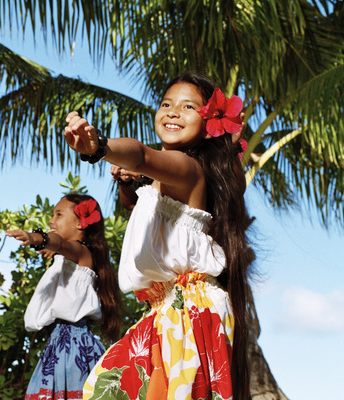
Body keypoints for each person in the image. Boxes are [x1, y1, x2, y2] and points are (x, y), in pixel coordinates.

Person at [64, 72, 254, 400]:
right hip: (167, 308)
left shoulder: (188, 168)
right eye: (166, 103)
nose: (172, 111)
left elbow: (141, 155)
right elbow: (137, 197)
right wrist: (130, 181)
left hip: (188, 310)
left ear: (209, 124)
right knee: (108, 387)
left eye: (188, 107)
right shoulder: (161, 177)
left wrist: (100, 146)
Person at [6, 194, 122, 400]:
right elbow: (61, 246)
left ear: (80, 223)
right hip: (60, 344)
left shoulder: (82, 251)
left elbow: (60, 243)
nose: (52, 220)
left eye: (58, 214)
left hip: (72, 347)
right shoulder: (70, 256)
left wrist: (36, 238)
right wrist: (55, 250)